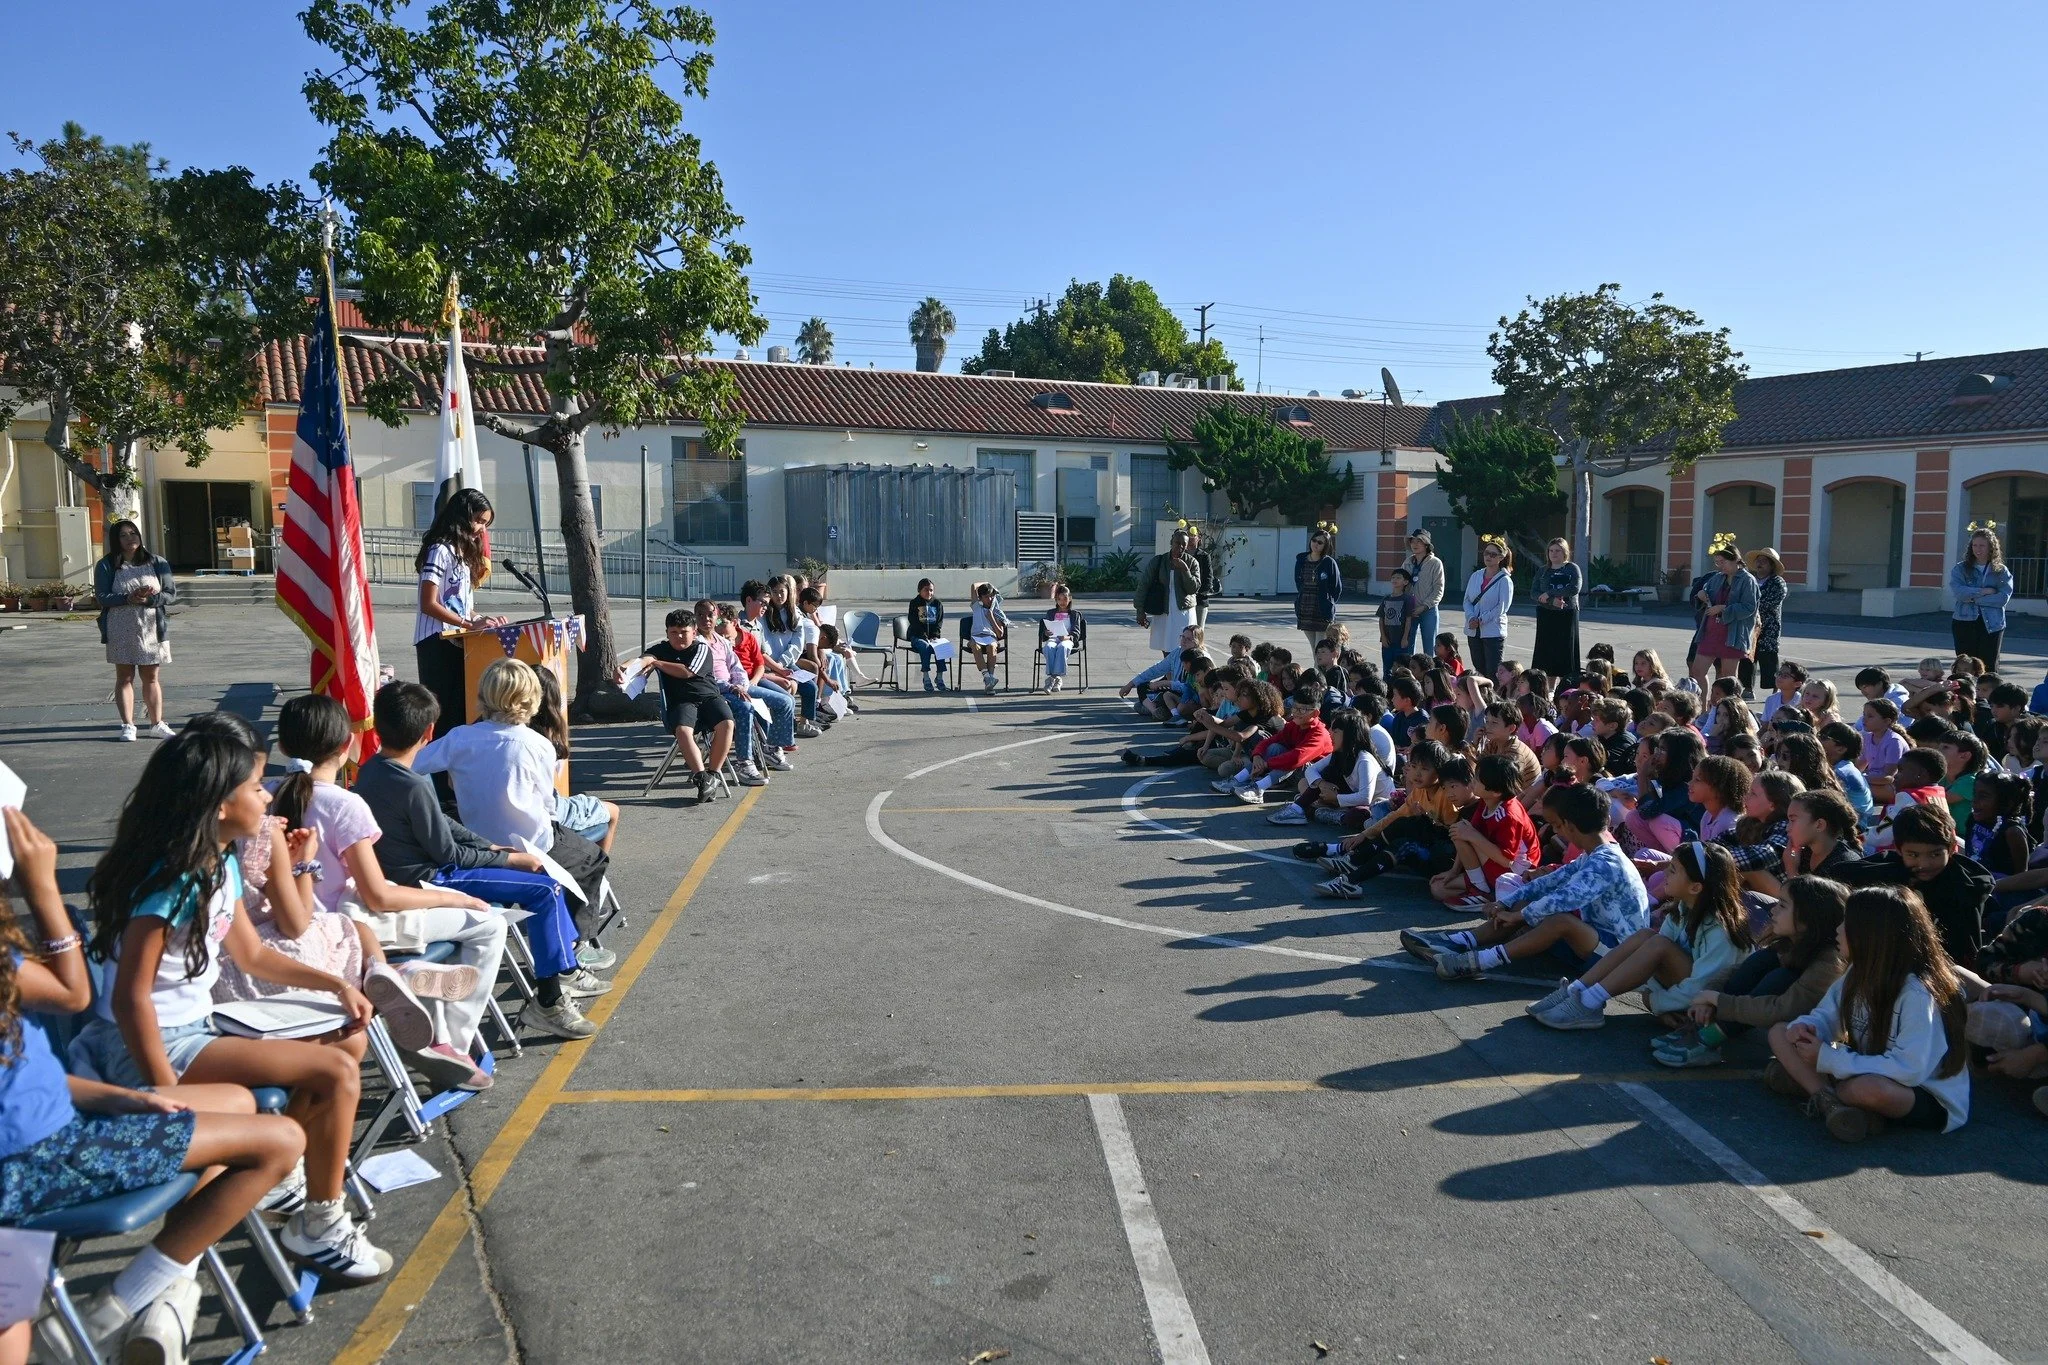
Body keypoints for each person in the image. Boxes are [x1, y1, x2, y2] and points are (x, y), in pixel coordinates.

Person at [69, 730, 395, 1284]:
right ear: (220, 805)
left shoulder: (219, 863)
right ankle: (320, 1222)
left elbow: (252, 955)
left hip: (195, 1028)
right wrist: (164, 1091)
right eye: (256, 787)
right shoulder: (175, 882)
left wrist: (335, 986)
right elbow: (130, 999)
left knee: (346, 1041)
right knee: (336, 1072)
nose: (268, 796)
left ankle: (286, 1178)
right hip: (142, 1046)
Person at [3, 806, 307, 1362]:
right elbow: (75, 994)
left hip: (59, 1139)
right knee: (279, 1139)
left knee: (15, 1335)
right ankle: (124, 1304)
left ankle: (149, 1300)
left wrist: (119, 1097)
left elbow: (29, 1074)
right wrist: (42, 892)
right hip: (37, 1165)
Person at [355, 681, 597, 1047]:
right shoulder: (412, 785)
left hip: (413, 872)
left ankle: (563, 972)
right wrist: (508, 858)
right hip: (429, 879)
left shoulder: (373, 769)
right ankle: (550, 999)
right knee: (545, 889)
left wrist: (488, 845)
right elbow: (448, 856)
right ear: (428, 731)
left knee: (544, 885)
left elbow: (440, 822)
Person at [413, 658, 612, 1036]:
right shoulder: (538, 745)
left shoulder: (459, 737)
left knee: (561, 875)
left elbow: (414, 766)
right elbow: (548, 807)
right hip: (532, 846)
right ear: (531, 698)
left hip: (480, 846)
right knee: (592, 860)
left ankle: (566, 962)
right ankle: (575, 950)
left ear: (484, 695)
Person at [1768, 885, 1970, 1141]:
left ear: (1872, 935)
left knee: (1870, 1089)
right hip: (1865, 1068)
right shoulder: (1858, 972)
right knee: (1780, 1032)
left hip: (1919, 1092)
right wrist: (1807, 1028)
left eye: (1846, 923)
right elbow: (1827, 1015)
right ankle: (1834, 1105)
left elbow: (1910, 1070)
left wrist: (1828, 1059)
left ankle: (1818, 1089)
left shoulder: (1918, 994)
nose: (1838, 929)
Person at [1415, 784, 1650, 983]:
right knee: (1525, 901)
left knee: (1559, 920)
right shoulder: (1593, 854)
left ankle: (1479, 961)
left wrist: (1518, 916)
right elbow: (1550, 881)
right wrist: (1507, 903)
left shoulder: (1606, 863)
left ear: (1568, 826)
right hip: (1593, 943)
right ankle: (1460, 942)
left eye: (1557, 825)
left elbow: (1563, 899)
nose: (1557, 831)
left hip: (1618, 956)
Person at [1529, 841, 1749, 1031]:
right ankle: (1575, 990)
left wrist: (1655, 1002)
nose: (1665, 874)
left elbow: (1704, 988)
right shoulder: (1682, 910)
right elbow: (1651, 966)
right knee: (1645, 936)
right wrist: (1659, 1004)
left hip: (1712, 1007)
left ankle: (1588, 1003)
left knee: (1659, 944)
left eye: (1673, 870)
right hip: (1687, 995)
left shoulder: (1720, 930)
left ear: (1695, 887)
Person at [1667, 874, 1847, 1068]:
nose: (1773, 910)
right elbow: (1735, 971)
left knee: (1781, 978)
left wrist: (1718, 1000)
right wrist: (1709, 998)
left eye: (1783, 905)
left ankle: (1710, 1038)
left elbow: (1781, 1010)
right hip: (1775, 1020)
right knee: (1762, 960)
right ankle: (1704, 1028)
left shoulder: (1829, 962)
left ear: (1809, 917)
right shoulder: (1791, 943)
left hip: (1805, 1033)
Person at [1833, 803, 1992, 971]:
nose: (1924, 864)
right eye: (1913, 855)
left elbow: (1966, 949)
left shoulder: (1964, 885)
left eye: (1935, 854)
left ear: (1952, 848)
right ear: (1899, 850)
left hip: (1943, 969)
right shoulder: (1890, 869)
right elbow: (1840, 874)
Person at [412, 488, 508, 731]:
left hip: (459, 641)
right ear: (462, 516)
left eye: (486, 524)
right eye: (479, 521)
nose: (482, 530)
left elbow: (463, 607)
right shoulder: (439, 550)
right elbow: (428, 603)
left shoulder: (463, 555)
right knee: (442, 717)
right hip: (435, 642)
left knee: (459, 714)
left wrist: (483, 619)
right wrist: (469, 624)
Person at [629, 609, 734, 804]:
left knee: (727, 723)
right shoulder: (661, 649)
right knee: (683, 731)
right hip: (682, 702)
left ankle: (713, 774)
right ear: (667, 633)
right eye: (673, 632)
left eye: (683, 632)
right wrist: (622, 669)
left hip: (709, 698)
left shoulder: (701, 649)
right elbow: (642, 660)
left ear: (694, 632)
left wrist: (658, 663)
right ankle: (703, 779)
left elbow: (687, 672)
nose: (678, 637)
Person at [94, 518, 179, 742]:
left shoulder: (157, 562)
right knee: (125, 677)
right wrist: (128, 598)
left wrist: (149, 599)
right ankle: (128, 725)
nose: (130, 538)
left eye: (133, 533)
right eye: (123, 535)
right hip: (120, 627)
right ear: (116, 540)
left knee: (151, 677)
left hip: (152, 627)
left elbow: (170, 593)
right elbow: (102, 596)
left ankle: (156, 724)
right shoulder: (106, 565)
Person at [1687, 540, 1759, 688]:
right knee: (1697, 670)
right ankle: (1703, 702)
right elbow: (1706, 594)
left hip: (1732, 634)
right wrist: (1701, 596)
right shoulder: (1717, 577)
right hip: (1711, 631)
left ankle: (1730, 702)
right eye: (1717, 562)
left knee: (1728, 676)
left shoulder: (1748, 580)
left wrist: (1723, 608)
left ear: (1735, 560)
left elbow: (1749, 607)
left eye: (1723, 562)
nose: (1720, 566)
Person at [1950, 524, 2015, 674]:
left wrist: (1973, 598)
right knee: (1965, 666)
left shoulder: (2001, 571)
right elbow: (1959, 593)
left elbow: (2002, 598)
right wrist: (1985, 591)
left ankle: (1987, 690)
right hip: (1964, 621)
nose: (1978, 549)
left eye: (1982, 546)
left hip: (1992, 624)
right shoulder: (1960, 568)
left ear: (1991, 547)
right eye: (1975, 545)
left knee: (1989, 667)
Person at [1136, 527, 1202, 657]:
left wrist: (1185, 570)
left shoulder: (1192, 562)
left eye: (1184, 544)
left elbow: (1193, 589)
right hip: (1162, 609)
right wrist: (1140, 610)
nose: (1180, 546)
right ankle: (1170, 668)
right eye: (1177, 543)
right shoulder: (1158, 561)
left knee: (1185, 644)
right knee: (1165, 644)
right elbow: (1144, 585)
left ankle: (1181, 668)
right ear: (1171, 542)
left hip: (1183, 611)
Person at [1530, 538, 1582, 686]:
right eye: (1551, 550)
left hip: (1566, 615)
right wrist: (1550, 600)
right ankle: (1548, 687)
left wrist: (1549, 593)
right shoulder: (1543, 570)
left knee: (1565, 653)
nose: (1554, 553)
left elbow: (1574, 588)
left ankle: (1566, 686)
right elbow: (1534, 592)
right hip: (1546, 615)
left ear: (1565, 552)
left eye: (1557, 550)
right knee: (1546, 653)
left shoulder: (1572, 568)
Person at [1462, 537, 1513, 681]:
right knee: (1479, 669)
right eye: (1486, 553)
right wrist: (1471, 617)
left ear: (1501, 557)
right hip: (1473, 630)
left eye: (1493, 554)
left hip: (1493, 631)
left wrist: (1481, 619)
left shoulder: (1505, 580)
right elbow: (1467, 600)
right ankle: (1482, 693)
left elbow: (1502, 607)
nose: (1488, 557)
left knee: (1493, 671)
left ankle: (1494, 694)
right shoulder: (1476, 576)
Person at [1292, 522, 1343, 653]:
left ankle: (1320, 666)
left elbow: (1337, 587)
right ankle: (1317, 665)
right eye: (1314, 540)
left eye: (1320, 543)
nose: (1315, 544)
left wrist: (1328, 601)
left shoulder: (1328, 562)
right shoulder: (1301, 560)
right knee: (1314, 648)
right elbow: (1298, 581)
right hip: (1305, 607)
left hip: (1322, 609)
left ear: (1325, 546)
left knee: (1320, 647)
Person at [1744, 548, 1787, 700]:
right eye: (1758, 561)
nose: (1760, 564)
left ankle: (1776, 690)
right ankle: (1747, 688)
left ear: (1771, 565)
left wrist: (1747, 607)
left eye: (1764, 561)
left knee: (1768, 658)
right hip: (1749, 625)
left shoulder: (1778, 582)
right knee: (1747, 657)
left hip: (1769, 627)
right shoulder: (1750, 580)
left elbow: (1770, 602)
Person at [1403, 529, 1446, 654]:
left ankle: (1429, 667)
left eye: (1419, 541)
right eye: (1412, 541)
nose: (1415, 544)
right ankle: (1409, 667)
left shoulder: (1435, 563)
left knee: (1430, 648)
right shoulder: (1408, 562)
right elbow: (1400, 584)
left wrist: (1424, 606)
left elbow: (1438, 589)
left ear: (1426, 545)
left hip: (1428, 609)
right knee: (1407, 646)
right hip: (1410, 610)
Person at [903, 578, 949, 692]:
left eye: (931, 590)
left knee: (941, 646)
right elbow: (914, 622)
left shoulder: (937, 603)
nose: (929, 592)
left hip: (933, 637)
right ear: (920, 590)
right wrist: (924, 636)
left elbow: (939, 623)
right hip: (918, 636)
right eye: (926, 590)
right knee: (925, 646)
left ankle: (939, 677)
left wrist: (934, 636)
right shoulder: (914, 603)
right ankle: (926, 677)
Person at [1039, 583, 1085, 693]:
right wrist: (1046, 632)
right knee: (1048, 647)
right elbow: (1044, 631)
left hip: (1067, 639)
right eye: (1059, 599)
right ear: (1056, 600)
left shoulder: (1075, 614)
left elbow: (1076, 632)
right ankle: (1058, 679)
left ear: (1070, 599)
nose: (1062, 602)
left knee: (1063, 647)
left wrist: (1067, 637)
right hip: (1053, 638)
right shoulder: (1051, 613)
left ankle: (1051, 679)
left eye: (1065, 599)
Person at [967, 582, 1009, 693]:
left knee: (992, 646)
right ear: (980, 598)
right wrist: (989, 584)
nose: (989, 599)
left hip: (990, 637)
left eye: (991, 596)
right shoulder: (976, 607)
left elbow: (1000, 634)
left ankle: (990, 679)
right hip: (976, 637)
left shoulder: (996, 612)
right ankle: (988, 678)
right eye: (986, 597)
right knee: (975, 645)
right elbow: (974, 586)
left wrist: (991, 618)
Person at [1378, 568, 1418, 678]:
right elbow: (1381, 619)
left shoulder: (1408, 599)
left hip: (1401, 642)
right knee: (1387, 668)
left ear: (1405, 582)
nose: (1395, 579)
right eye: (1393, 577)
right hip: (1387, 641)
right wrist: (1383, 637)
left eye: (1398, 577)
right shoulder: (1386, 598)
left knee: (1401, 668)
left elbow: (1408, 620)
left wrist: (1405, 638)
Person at [1186, 522, 1217, 630]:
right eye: (1188, 535)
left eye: (1193, 535)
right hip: (1184, 601)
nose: (1191, 538)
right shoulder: (1181, 555)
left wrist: (1200, 592)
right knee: (1185, 631)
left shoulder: (1204, 556)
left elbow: (1208, 577)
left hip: (1200, 600)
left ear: (1199, 538)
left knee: (1198, 631)